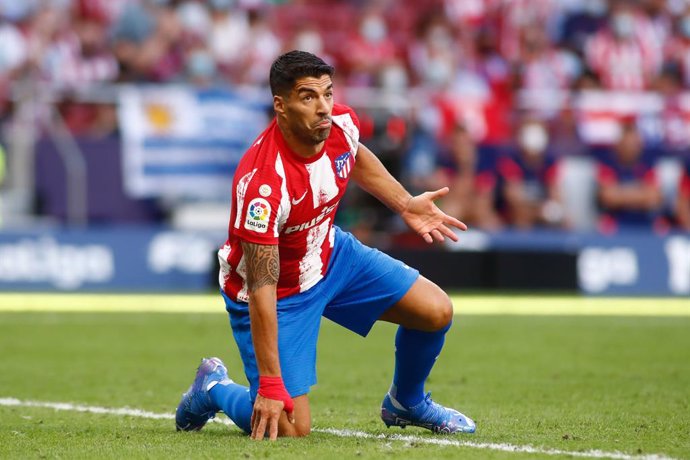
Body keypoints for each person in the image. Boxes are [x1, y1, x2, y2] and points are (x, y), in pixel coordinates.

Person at [175, 50, 476, 440]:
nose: (323, 108)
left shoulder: (340, 124)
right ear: (280, 106)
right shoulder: (264, 186)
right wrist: (269, 382)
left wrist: (405, 203)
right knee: (289, 428)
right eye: (308, 96)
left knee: (436, 311)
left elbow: (354, 154)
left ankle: (406, 402)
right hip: (278, 293)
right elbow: (262, 287)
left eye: (328, 93)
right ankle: (214, 388)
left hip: (332, 257)